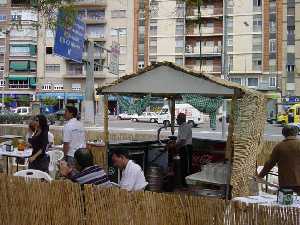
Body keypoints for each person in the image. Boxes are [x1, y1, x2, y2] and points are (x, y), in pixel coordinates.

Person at [258, 125, 300, 195]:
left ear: (283, 134)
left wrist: (260, 176)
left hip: (285, 182)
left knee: (286, 203)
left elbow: (270, 163)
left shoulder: (279, 146)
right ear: (296, 133)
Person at [176, 113, 193, 186]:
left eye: (177, 119)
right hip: (182, 147)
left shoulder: (185, 126)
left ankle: (185, 184)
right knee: (182, 166)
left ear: (181, 119)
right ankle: (182, 183)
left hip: (186, 148)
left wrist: (177, 147)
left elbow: (183, 140)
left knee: (185, 166)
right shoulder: (181, 126)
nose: (177, 121)